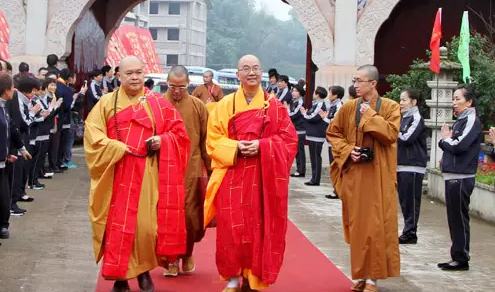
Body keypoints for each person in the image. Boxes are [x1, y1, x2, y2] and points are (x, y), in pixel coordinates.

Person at [84, 56, 191, 292]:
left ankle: (143, 272)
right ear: (119, 76)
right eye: (129, 73)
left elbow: (180, 135)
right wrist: (116, 147)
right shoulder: (106, 103)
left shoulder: (159, 104)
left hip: (147, 174)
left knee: (145, 227)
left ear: (145, 74)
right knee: (117, 227)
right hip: (116, 174)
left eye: (139, 72)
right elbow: (93, 137)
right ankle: (121, 278)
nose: (134, 77)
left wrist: (161, 140)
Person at [204, 55, 297, 292]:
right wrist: (235, 147)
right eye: (246, 69)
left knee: (258, 227)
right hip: (232, 174)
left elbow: (288, 139)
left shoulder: (274, 106)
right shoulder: (225, 104)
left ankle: (255, 278)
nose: (251, 73)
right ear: (238, 75)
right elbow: (213, 139)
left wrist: (263, 146)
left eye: (255, 68)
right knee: (230, 228)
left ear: (262, 72)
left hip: (262, 175)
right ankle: (233, 278)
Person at [327, 65, 400, 291]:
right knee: (358, 228)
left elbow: (390, 134)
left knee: (376, 227)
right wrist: (350, 150)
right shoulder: (349, 107)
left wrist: (369, 114)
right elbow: (333, 133)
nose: (356, 85)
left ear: (373, 83)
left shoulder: (390, 107)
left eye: (360, 81)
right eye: (355, 80)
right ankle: (360, 274)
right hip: (356, 175)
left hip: (379, 177)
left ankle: (372, 279)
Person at [162, 65, 211, 277]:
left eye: (181, 87)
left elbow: (206, 140)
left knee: (190, 215)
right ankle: (170, 259)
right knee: (166, 215)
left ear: (188, 84)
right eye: (172, 86)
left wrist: (212, 170)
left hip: (191, 168)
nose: (176, 91)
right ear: (166, 83)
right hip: (163, 168)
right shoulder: (157, 104)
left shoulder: (198, 106)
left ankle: (187, 253)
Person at [437, 84, 481, 271]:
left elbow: (458, 146)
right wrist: (446, 141)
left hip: (462, 177)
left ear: (469, 102)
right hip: (453, 175)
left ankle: (461, 257)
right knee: (453, 218)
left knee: (459, 218)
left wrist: (445, 139)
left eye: (458, 99)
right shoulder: (460, 121)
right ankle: (457, 255)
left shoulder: (471, 120)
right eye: (453, 99)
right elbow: (450, 144)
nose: (454, 103)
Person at [0, 74, 31, 242]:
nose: (14, 90)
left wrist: (21, 148)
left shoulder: (3, 107)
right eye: (12, 88)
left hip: (4, 162)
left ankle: (3, 226)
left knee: (4, 199)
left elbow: (11, 128)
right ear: (6, 90)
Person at [397, 89, 427, 245]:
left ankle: (411, 233)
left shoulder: (416, 118)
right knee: (404, 201)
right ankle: (408, 230)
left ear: (414, 102)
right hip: (402, 165)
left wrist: (391, 129)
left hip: (413, 166)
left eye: (404, 100)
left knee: (412, 202)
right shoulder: (403, 118)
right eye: (400, 100)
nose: (401, 103)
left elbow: (406, 138)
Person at [301, 86, 328, 186]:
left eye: (314, 93)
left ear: (317, 94)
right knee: (313, 157)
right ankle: (313, 178)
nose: (313, 94)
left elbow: (313, 117)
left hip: (317, 135)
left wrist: (304, 113)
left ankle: (316, 179)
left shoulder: (320, 104)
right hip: (312, 135)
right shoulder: (316, 104)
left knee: (316, 157)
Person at [321, 85, 344, 199]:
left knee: (336, 166)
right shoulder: (332, 105)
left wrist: (324, 118)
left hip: (336, 141)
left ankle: (337, 190)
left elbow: (335, 122)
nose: (329, 95)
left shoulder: (339, 106)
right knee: (333, 166)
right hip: (330, 140)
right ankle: (335, 189)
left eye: (330, 93)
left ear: (336, 95)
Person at [288, 85, 306, 178]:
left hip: (300, 130)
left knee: (300, 151)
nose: (293, 93)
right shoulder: (294, 102)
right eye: (293, 91)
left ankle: (301, 170)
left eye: (296, 91)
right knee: (297, 151)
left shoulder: (301, 102)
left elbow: (293, 115)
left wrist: (286, 109)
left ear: (300, 92)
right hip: (296, 130)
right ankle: (299, 169)